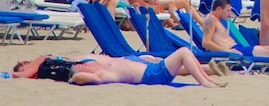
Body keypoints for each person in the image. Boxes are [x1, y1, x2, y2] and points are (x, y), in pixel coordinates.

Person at [12, 49, 226, 88]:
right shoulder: (102, 74)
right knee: (183, 53)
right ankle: (206, 81)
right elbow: (81, 78)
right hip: (152, 75)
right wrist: (76, 76)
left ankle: (207, 72)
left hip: (150, 71)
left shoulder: (101, 68)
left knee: (181, 60)